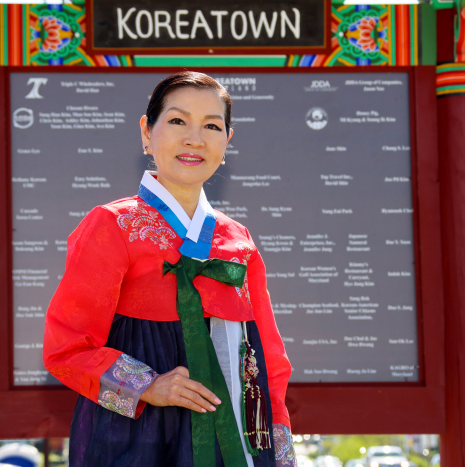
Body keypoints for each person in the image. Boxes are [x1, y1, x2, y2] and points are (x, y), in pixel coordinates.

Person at [43, 71, 297, 467]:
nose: (194, 138)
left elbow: (270, 356)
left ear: (227, 141)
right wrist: (148, 385)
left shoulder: (237, 239)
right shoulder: (111, 225)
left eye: (212, 126)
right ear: (147, 132)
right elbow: (66, 347)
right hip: (139, 437)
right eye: (177, 121)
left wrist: (278, 446)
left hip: (238, 438)